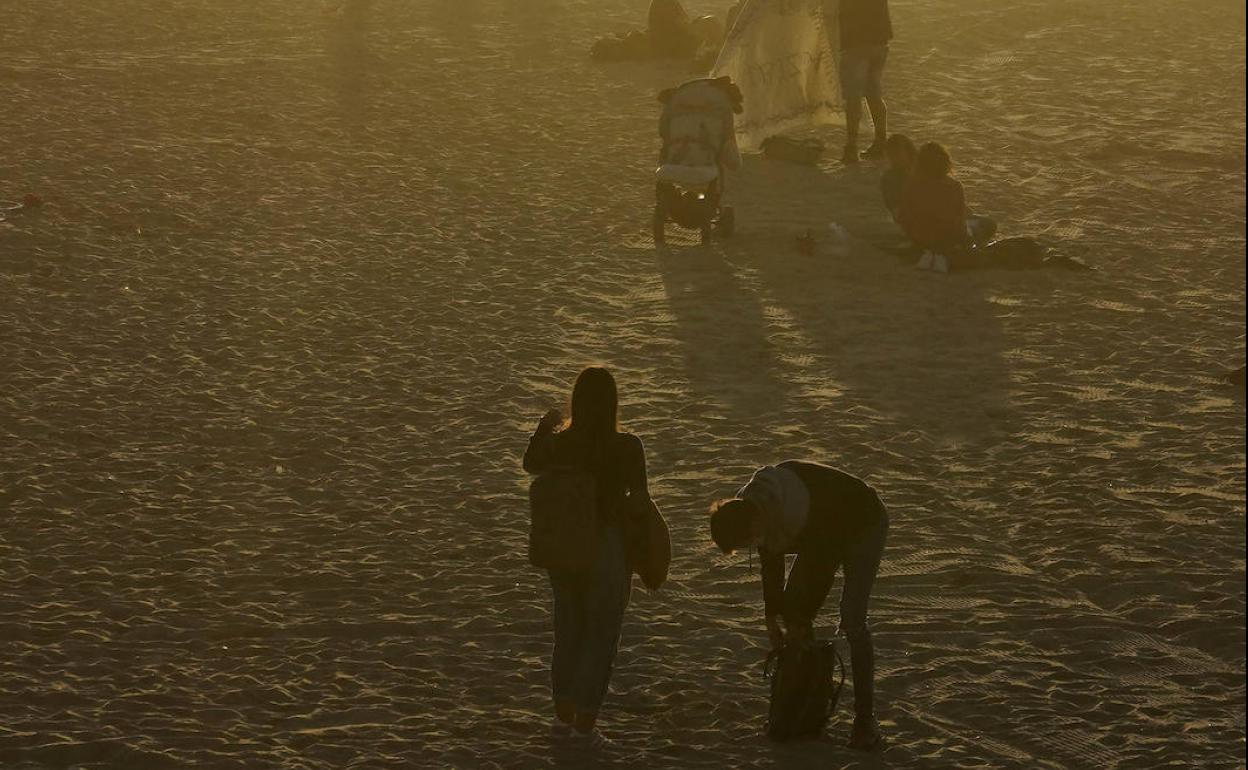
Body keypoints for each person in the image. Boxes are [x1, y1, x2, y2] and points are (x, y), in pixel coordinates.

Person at [709, 460, 889, 751]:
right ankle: (806, 710)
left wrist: (799, 621)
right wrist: (772, 617)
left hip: (863, 523)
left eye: (748, 541)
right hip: (822, 534)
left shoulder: (795, 511)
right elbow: (770, 563)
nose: (752, 546)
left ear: (755, 524)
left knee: (852, 618)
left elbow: (822, 568)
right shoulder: (753, 504)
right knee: (792, 611)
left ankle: (865, 721)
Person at [523, 367, 652, 743]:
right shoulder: (627, 446)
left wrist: (544, 427)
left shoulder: (560, 443)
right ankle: (584, 726)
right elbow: (640, 501)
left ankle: (563, 718)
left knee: (568, 630)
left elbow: (530, 464)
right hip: (606, 545)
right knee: (601, 635)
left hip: (564, 545)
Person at [837, 0, 893, 163]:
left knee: (853, 97)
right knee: (873, 93)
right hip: (880, 40)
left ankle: (851, 147)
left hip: (855, 42)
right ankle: (881, 142)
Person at [880, 133, 917, 220]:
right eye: (891, 155)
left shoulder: (923, 172)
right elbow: (896, 211)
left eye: (897, 154)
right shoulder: (888, 178)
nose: (893, 159)